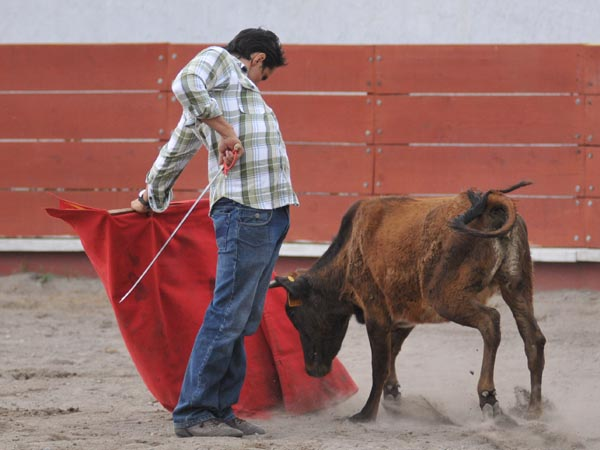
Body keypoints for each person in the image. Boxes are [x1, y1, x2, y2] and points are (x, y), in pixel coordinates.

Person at [130, 28, 298, 438]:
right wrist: (225, 131)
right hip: (245, 211)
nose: (263, 84)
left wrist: (151, 193)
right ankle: (194, 412)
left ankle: (220, 410)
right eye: (266, 74)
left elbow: (179, 145)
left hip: (270, 211)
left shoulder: (223, 97)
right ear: (256, 59)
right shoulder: (222, 62)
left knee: (242, 318)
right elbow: (184, 82)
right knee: (228, 313)